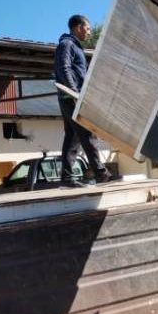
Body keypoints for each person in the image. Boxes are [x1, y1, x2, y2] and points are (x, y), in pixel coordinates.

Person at [54, 14, 114, 187]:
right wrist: (74, 92)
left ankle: (66, 179)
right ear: (77, 27)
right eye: (87, 28)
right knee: (87, 134)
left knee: (72, 137)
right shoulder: (67, 45)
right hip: (70, 96)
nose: (88, 32)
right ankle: (101, 173)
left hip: (69, 96)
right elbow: (63, 67)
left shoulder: (73, 46)